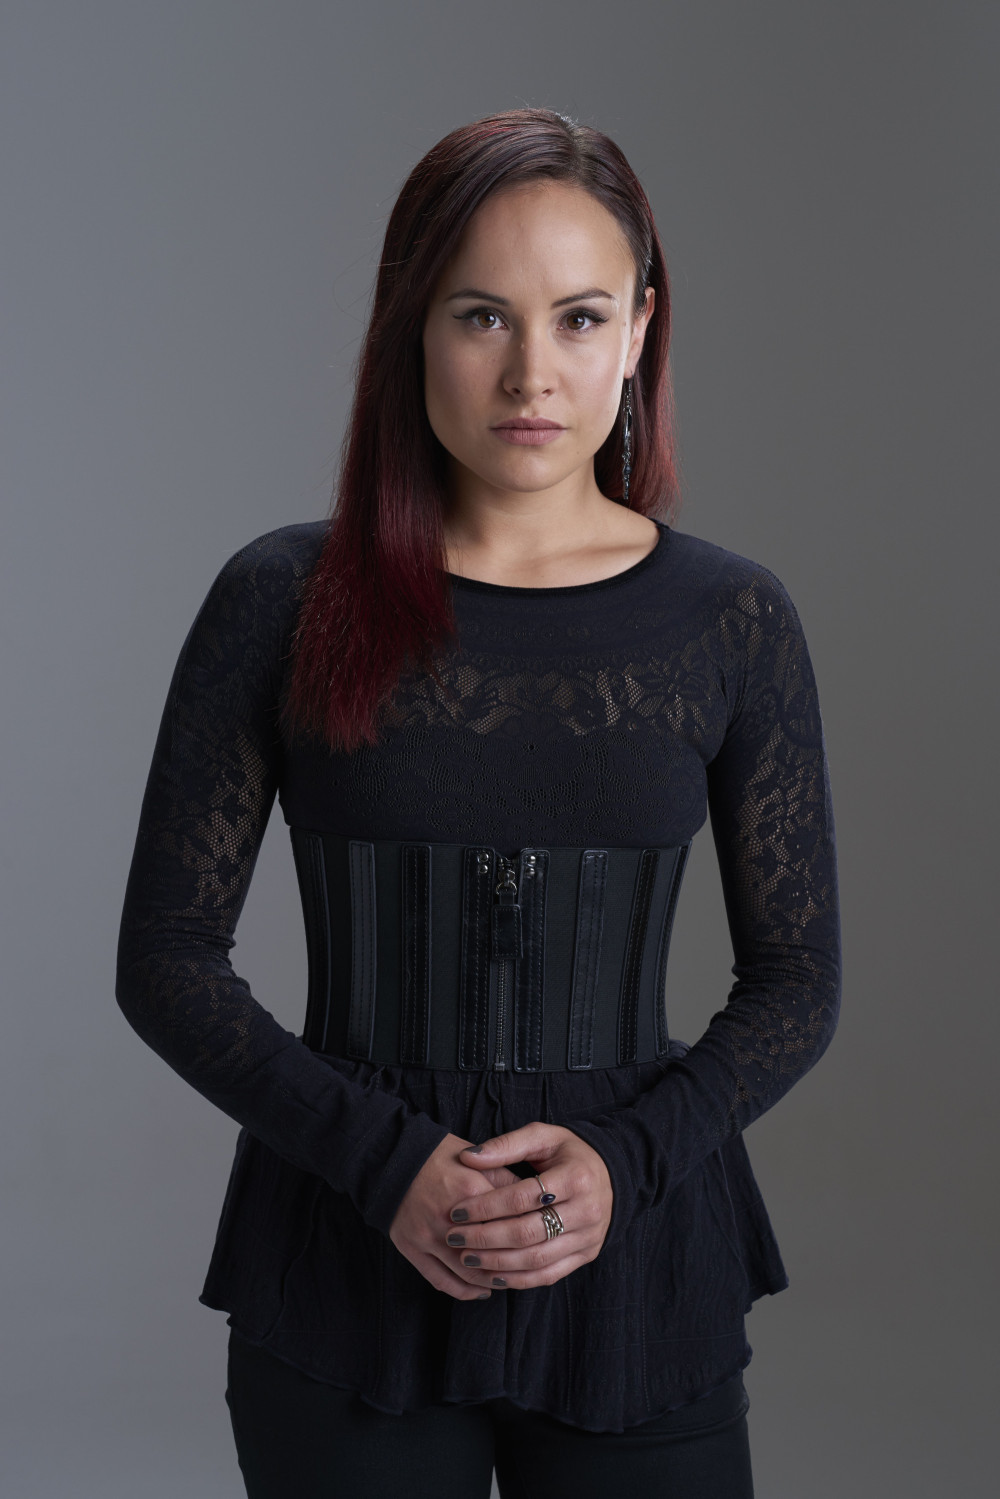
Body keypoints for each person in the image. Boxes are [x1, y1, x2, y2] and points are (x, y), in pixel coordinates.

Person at [115, 108, 841, 1498]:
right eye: (481, 316)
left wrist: (624, 1164)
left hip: (640, 1263)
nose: (531, 373)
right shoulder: (281, 598)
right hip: (346, 1256)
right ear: (411, 327)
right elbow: (165, 959)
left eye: (578, 318)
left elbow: (798, 983)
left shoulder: (733, 619)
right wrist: (388, 1166)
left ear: (639, 329)